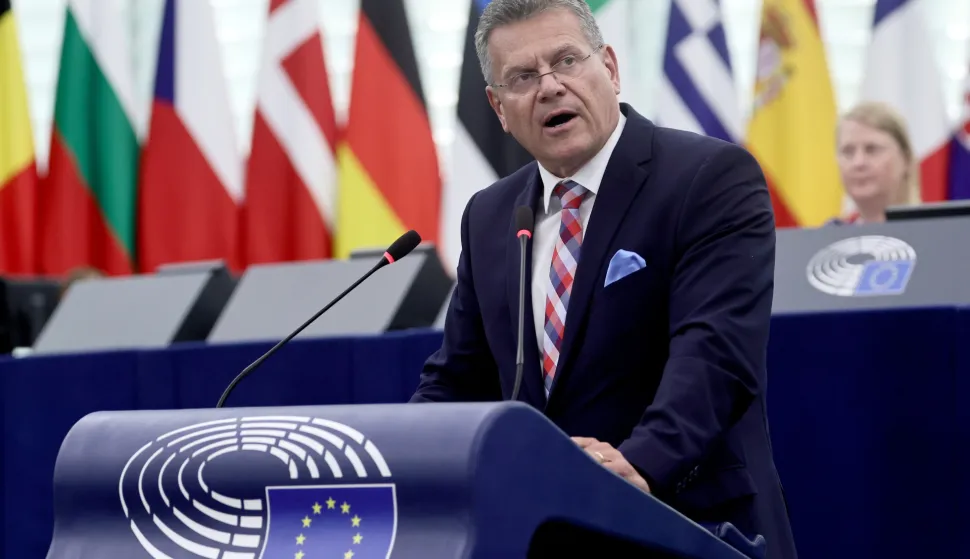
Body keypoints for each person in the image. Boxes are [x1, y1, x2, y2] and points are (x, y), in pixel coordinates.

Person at [410, 1, 796, 557]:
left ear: (610, 68)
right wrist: (406, 455)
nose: (550, 87)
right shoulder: (489, 215)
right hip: (544, 535)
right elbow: (456, 378)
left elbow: (714, 356)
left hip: (690, 526)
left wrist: (641, 461)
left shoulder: (708, 179)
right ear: (498, 107)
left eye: (566, 60)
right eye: (522, 77)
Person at [829, 101, 920, 225]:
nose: (858, 162)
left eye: (872, 149)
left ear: (906, 159)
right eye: (848, 152)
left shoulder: (940, 234)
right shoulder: (826, 239)